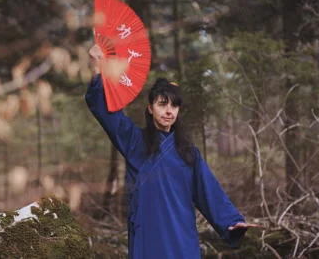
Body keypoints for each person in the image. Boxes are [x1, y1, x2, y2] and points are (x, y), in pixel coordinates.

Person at [85, 45, 258, 259]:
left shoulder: (188, 153)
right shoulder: (134, 141)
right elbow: (106, 112)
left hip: (180, 235)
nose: (169, 111)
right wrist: (96, 67)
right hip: (147, 234)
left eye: (174, 106)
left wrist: (231, 221)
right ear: (150, 108)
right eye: (162, 104)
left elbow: (209, 192)